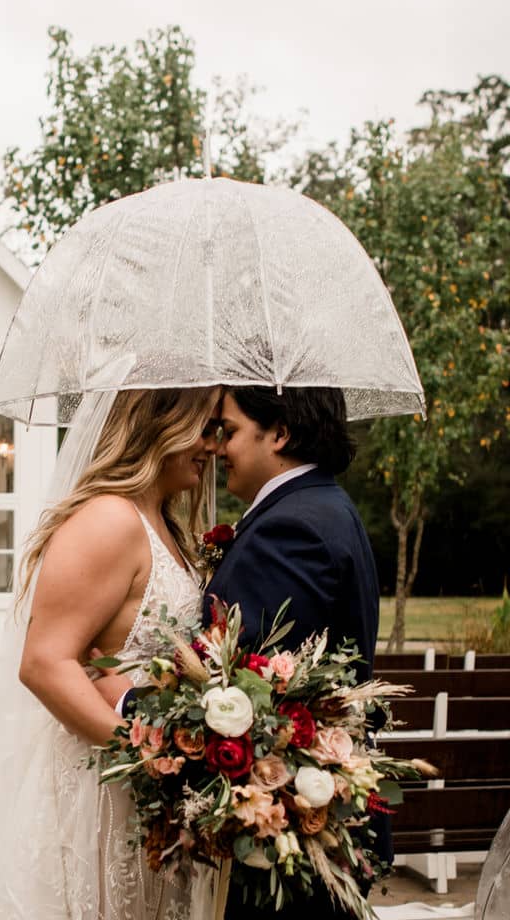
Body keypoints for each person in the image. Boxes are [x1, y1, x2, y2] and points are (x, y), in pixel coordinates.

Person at [0, 385, 222, 920]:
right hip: (102, 782)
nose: (213, 446)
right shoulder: (109, 520)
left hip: (144, 791)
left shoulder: (167, 525)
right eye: (205, 428)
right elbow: (44, 663)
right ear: (163, 425)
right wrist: (146, 757)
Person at [202, 384, 385, 918]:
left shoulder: (293, 528)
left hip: (288, 848)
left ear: (279, 433)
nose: (216, 447)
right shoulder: (320, 506)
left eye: (229, 431)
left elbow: (244, 692)